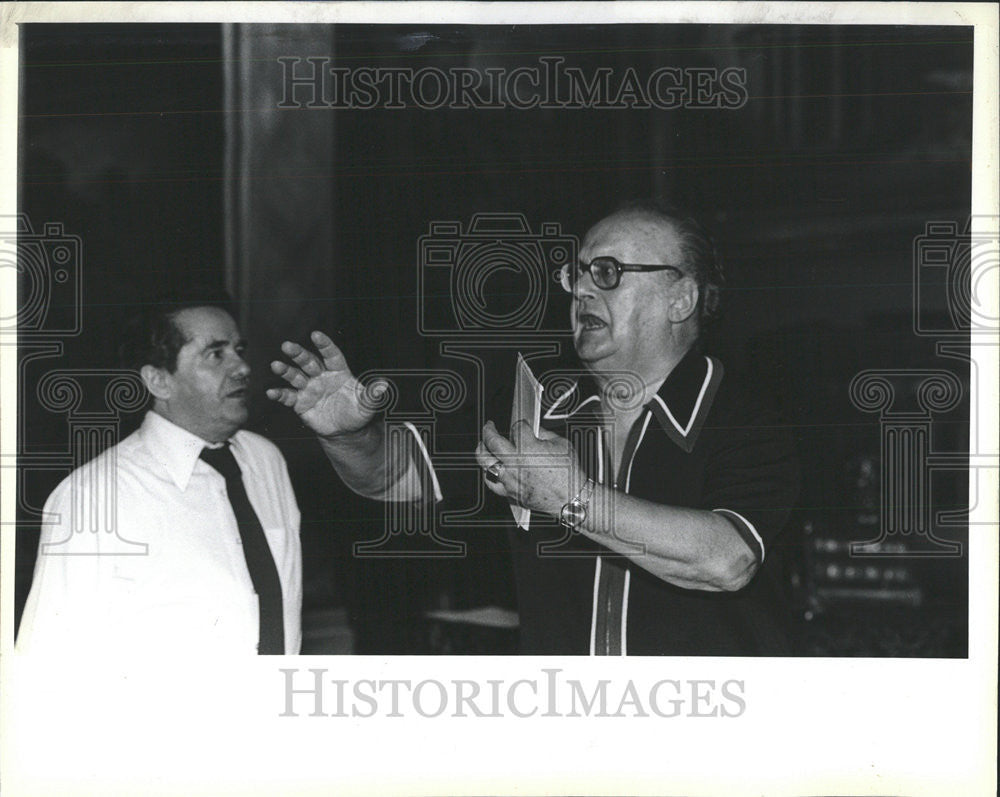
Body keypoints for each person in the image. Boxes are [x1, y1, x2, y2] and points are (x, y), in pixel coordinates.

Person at [268, 201, 799, 655]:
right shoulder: (539, 404)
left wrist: (573, 498)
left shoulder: (745, 414)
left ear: (680, 299)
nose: (583, 292)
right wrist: (348, 436)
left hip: (705, 741)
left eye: (609, 273)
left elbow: (727, 560)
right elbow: (393, 477)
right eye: (578, 273)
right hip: (566, 739)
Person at [17, 293, 302, 655]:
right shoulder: (94, 496)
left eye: (239, 350)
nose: (242, 367)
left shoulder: (265, 462)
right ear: (159, 381)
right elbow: (46, 660)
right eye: (216, 354)